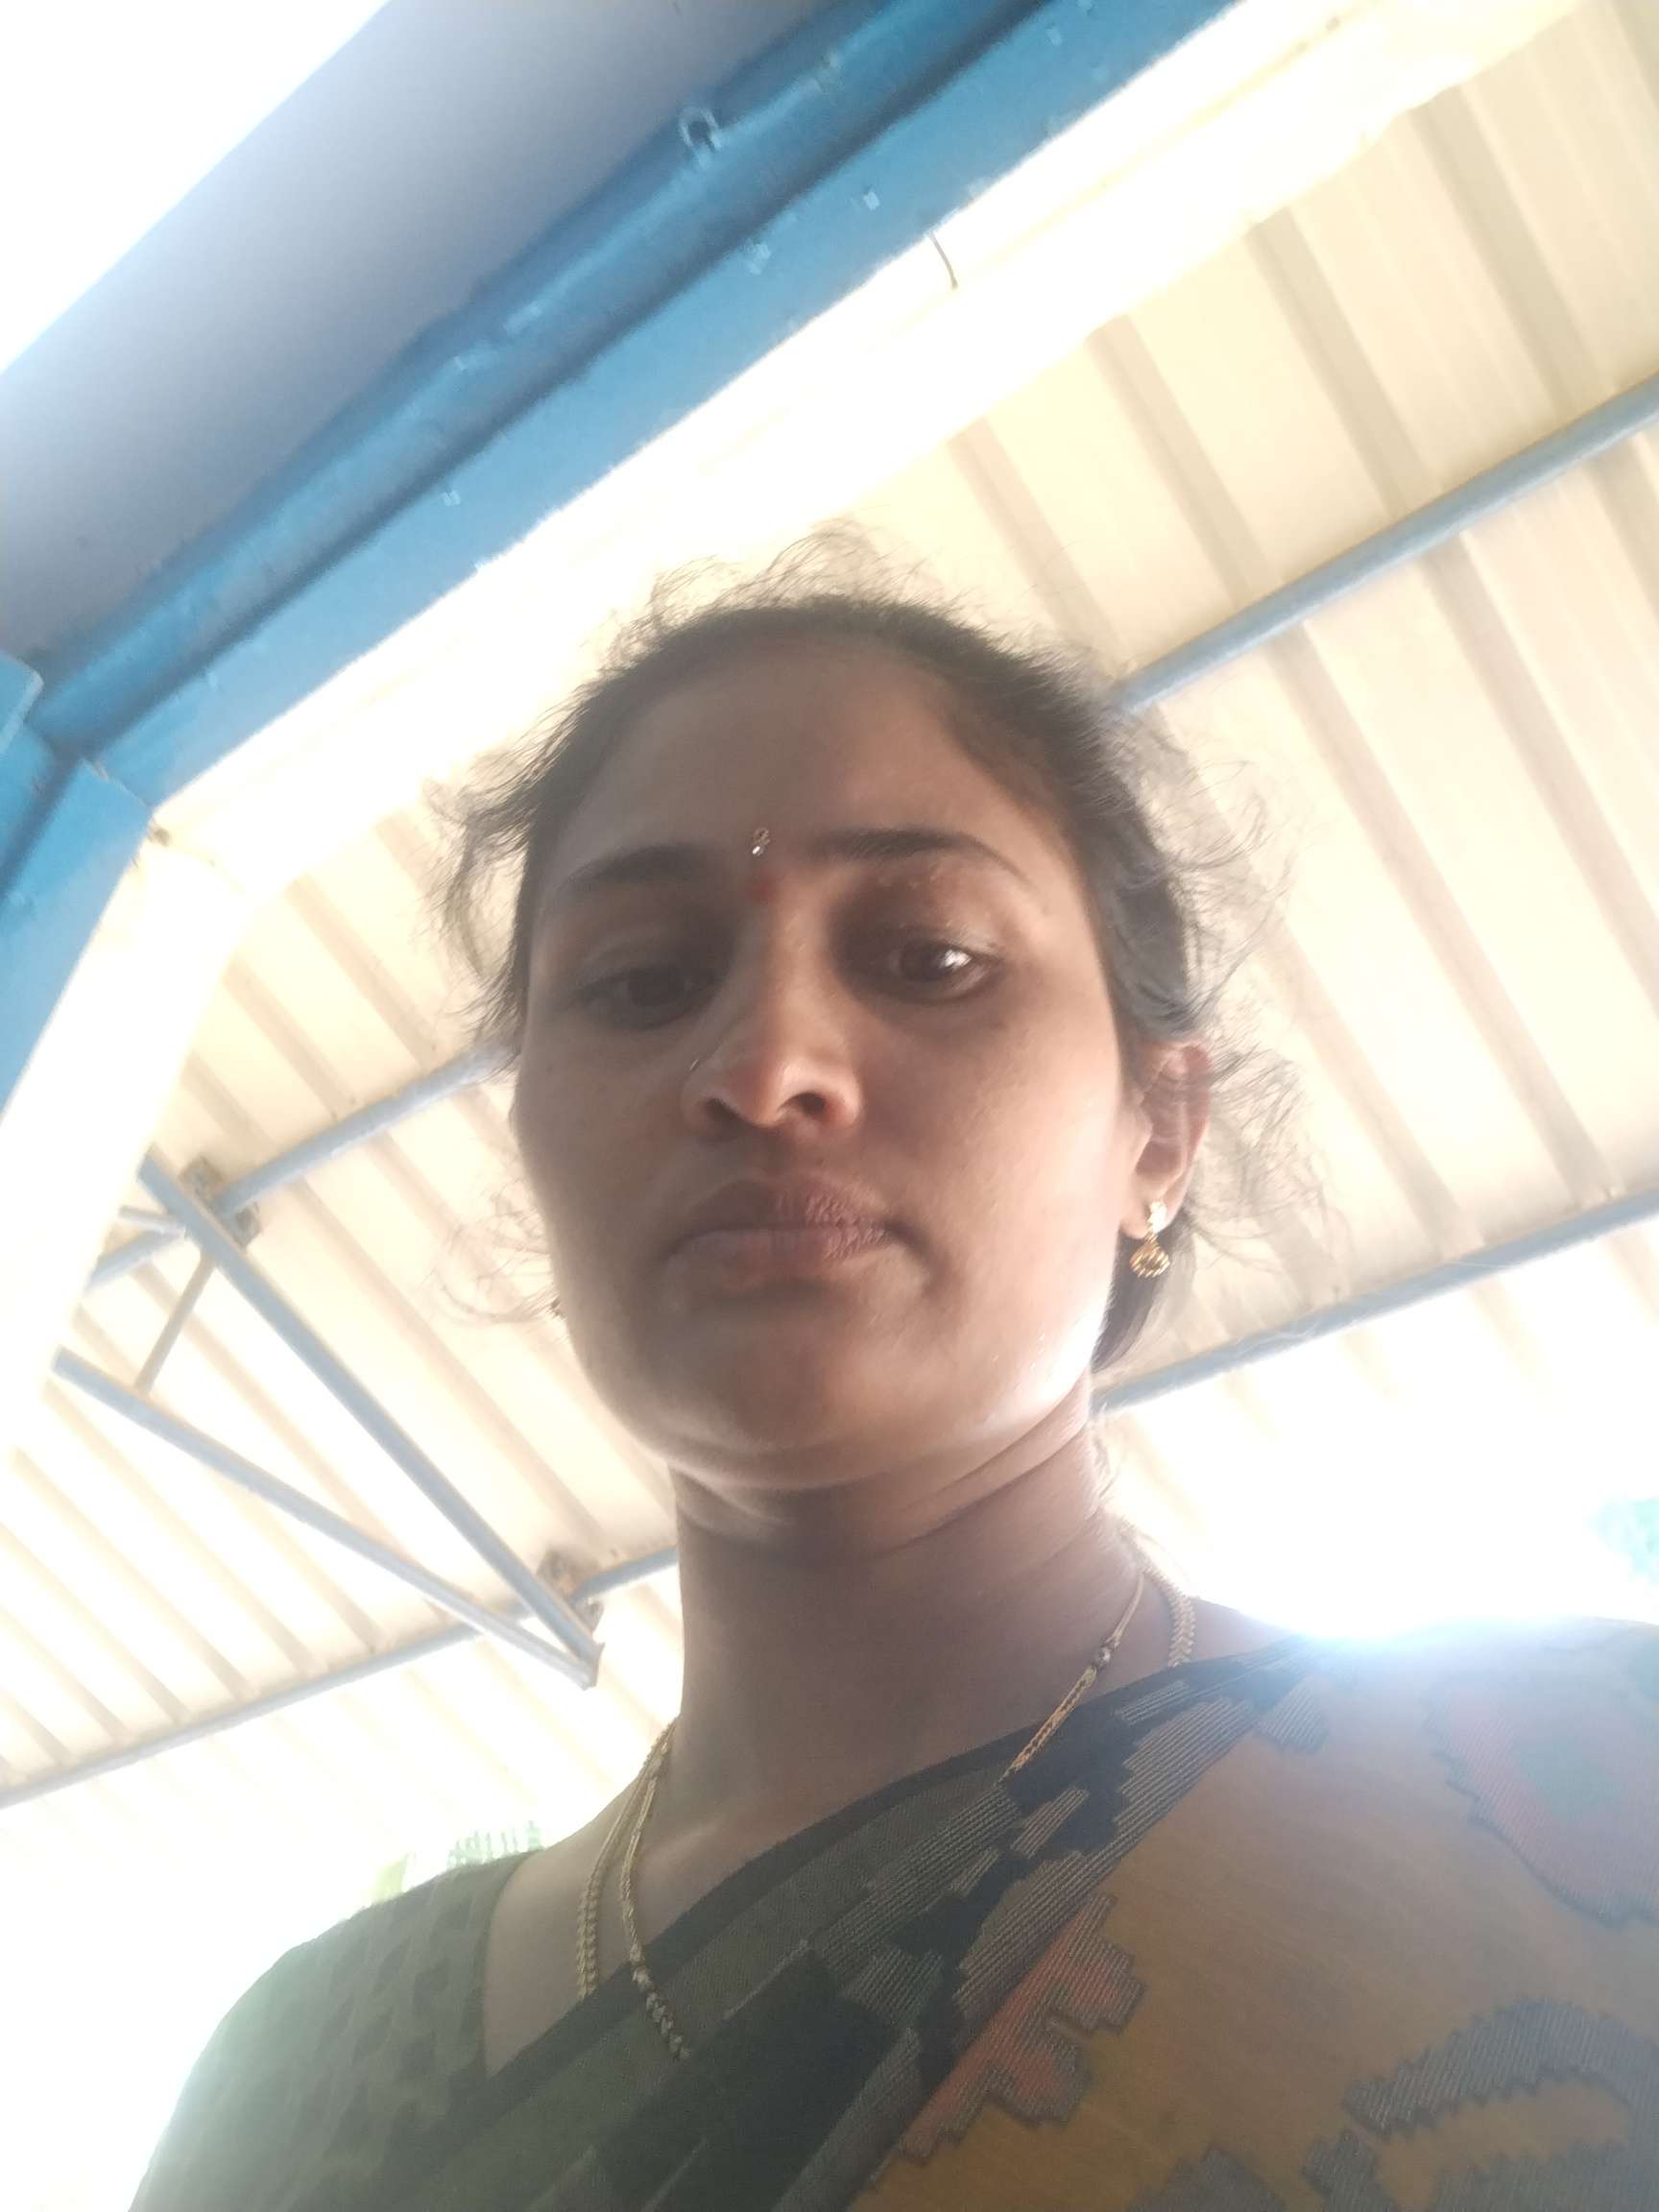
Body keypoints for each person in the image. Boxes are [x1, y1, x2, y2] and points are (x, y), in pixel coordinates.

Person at [132, 551, 1659, 2212]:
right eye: (642, 981)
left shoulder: (1576, 1804)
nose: (763, 1066)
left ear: (1159, 1132)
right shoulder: (308, 2064)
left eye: (928, 957)